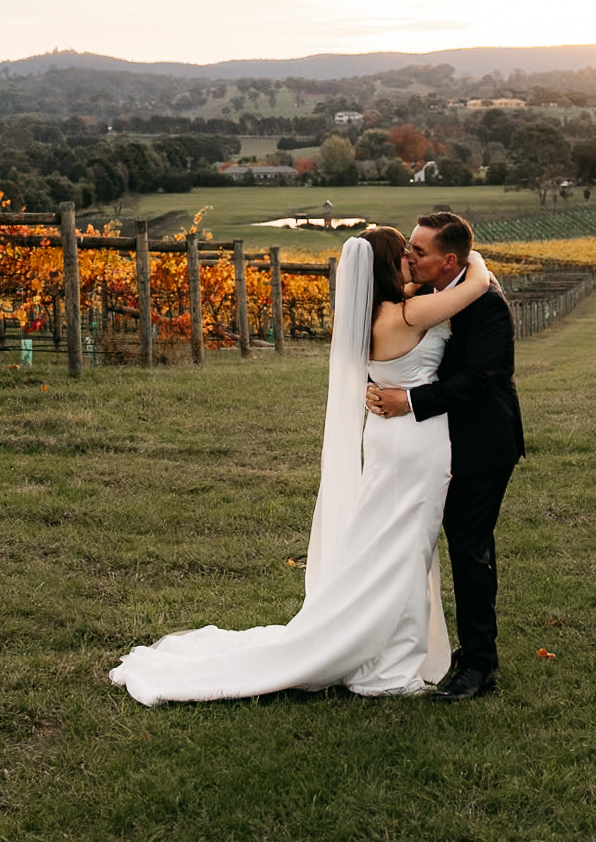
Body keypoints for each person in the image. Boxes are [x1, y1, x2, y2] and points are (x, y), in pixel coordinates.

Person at [107, 227, 499, 704]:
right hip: (413, 444)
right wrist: (472, 260)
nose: (412, 263)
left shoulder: (381, 312)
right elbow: (476, 283)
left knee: (389, 541)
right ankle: (389, 664)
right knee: (405, 548)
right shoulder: (410, 313)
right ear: (387, 266)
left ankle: (387, 644)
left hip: (388, 438)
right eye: (405, 255)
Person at [365, 211, 525, 701]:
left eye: (419, 251)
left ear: (447, 260)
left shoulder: (488, 304)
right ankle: (467, 649)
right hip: (436, 446)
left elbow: (481, 380)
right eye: (407, 249)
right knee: (453, 545)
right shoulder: (429, 294)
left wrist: (408, 401)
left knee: (469, 548)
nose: (409, 257)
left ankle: (479, 665)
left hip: (482, 445)